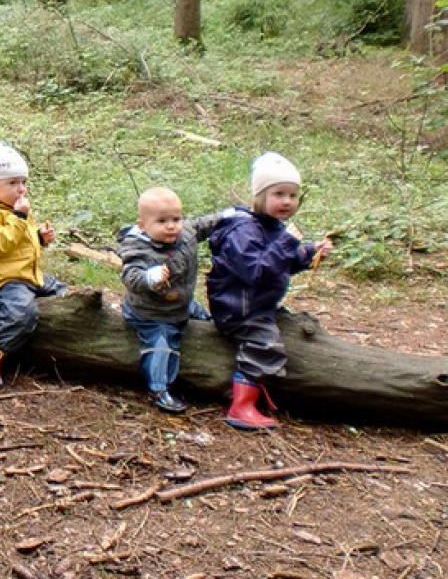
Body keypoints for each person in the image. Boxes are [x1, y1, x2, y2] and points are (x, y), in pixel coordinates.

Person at [207, 152, 332, 430]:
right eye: (278, 194)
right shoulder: (243, 231)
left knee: (277, 332)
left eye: (293, 195)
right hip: (239, 308)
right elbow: (257, 273)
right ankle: (241, 406)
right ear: (260, 196)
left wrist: (308, 253)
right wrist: (287, 243)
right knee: (264, 345)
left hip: (257, 303)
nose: (287, 201)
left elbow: (279, 265)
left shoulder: (270, 227)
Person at [0, 142, 66, 390]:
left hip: (27, 274)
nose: (20, 189)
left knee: (65, 293)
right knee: (22, 311)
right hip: (3, 279)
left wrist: (39, 238)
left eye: (22, 182)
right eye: (12, 183)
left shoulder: (12, 207)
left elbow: (19, 244)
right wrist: (19, 219)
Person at [117, 187, 222, 414]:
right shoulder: (138, 246)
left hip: (180, 303)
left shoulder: (184, 235)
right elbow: (130, 275)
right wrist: (149, 278)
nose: (172, 226)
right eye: (162, 221)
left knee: (204, 318)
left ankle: (191, 311)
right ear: (143, 225)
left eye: (176, 218)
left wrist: (231, 215)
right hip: (151, 313)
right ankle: (159, 388)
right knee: (162, 346)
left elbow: (204, 225)